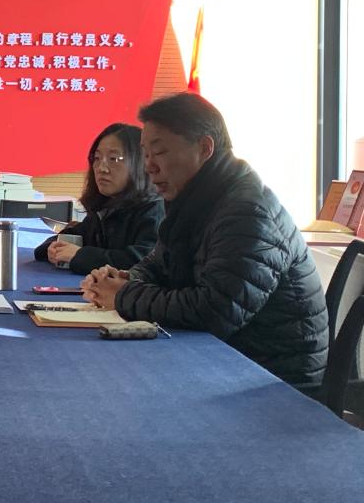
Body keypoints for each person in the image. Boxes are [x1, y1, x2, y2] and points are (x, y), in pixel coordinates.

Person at [81, 93, 328, 387]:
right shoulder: (196, 198)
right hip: (224, 360)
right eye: (145, 154)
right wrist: (126, 278)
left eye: (159, 152)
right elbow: (159, 263)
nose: (149, 166)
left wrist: (123, 296)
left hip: (271, 379)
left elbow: (216, 312)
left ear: (204, 148)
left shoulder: (247, 212)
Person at [34, 123, 163, 275]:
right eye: (97, 158)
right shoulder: (106, 208)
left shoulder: (155, 212)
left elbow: (142, 262)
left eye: (114, 159)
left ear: (141, 163)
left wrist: (79, 255)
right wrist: (52, 248)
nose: (101, 168)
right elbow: (72, 235)